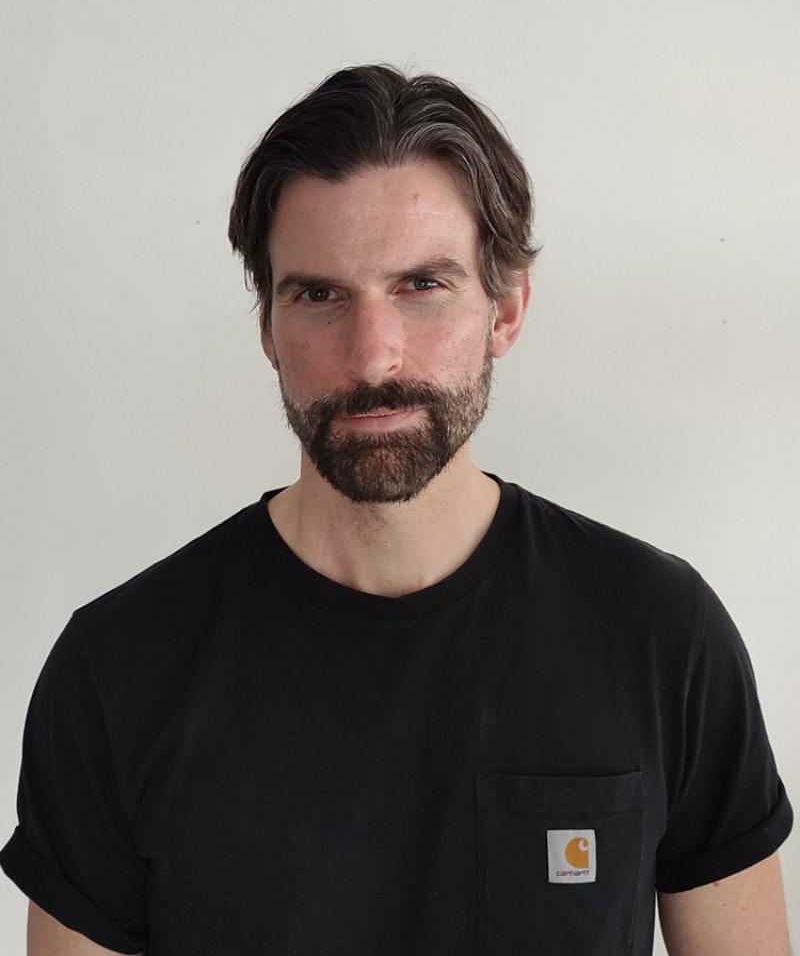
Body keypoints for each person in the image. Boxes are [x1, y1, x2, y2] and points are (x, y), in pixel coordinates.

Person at [1, 64, 793, 956]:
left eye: (422, 286)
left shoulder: (661, 634)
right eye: (319, 295)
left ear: (506, 311)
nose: (373, 357)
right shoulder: (116, 672)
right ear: (267, 330)